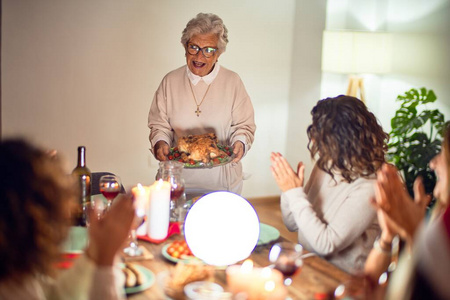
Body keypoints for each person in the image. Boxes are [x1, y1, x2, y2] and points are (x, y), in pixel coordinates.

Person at [0, 139, 135, 299]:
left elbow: (56, 295)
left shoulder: (16, 271)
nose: (66, 216)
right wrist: (106, 260)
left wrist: (94, 251)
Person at [270, 95, 388, 274]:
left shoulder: (371, 185)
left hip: (342, 279)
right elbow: (292, 223)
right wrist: (289, 190)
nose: (315, 140)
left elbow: (325, 244)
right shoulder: (326, 165)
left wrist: (294, 193)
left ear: (341, 139)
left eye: (320, 133)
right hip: (309, 265)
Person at [148, 13, 256, 195]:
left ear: (218, 53)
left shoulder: (232, 82)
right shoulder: (170, 81)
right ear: (185, 47)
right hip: (176, 179)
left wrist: (240, 143)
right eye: (194, 47)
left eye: (208, 50)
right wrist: (160, 143)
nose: (200, 56)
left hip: (222, 181)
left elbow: (243, 126)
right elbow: (159, 125)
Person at [364, 124, 450, 299]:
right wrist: (388, 235)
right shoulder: (439, 216)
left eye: (444, 155)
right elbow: (369, 285)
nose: (433, 163)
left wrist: (415, 234)